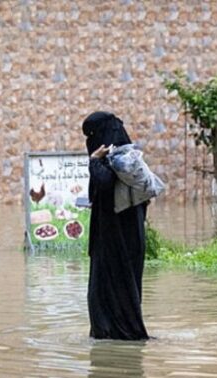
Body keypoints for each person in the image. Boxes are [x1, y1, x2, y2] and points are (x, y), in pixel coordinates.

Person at [82, 111, 149, 340]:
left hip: (115, 241)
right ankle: (119, 334)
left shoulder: (118, 158)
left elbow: (104, 182)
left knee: (107, 290)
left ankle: (115, 334)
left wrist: (93, 160)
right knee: (124, 288)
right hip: (128, 237)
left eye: (91, 135)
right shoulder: (130, 159)